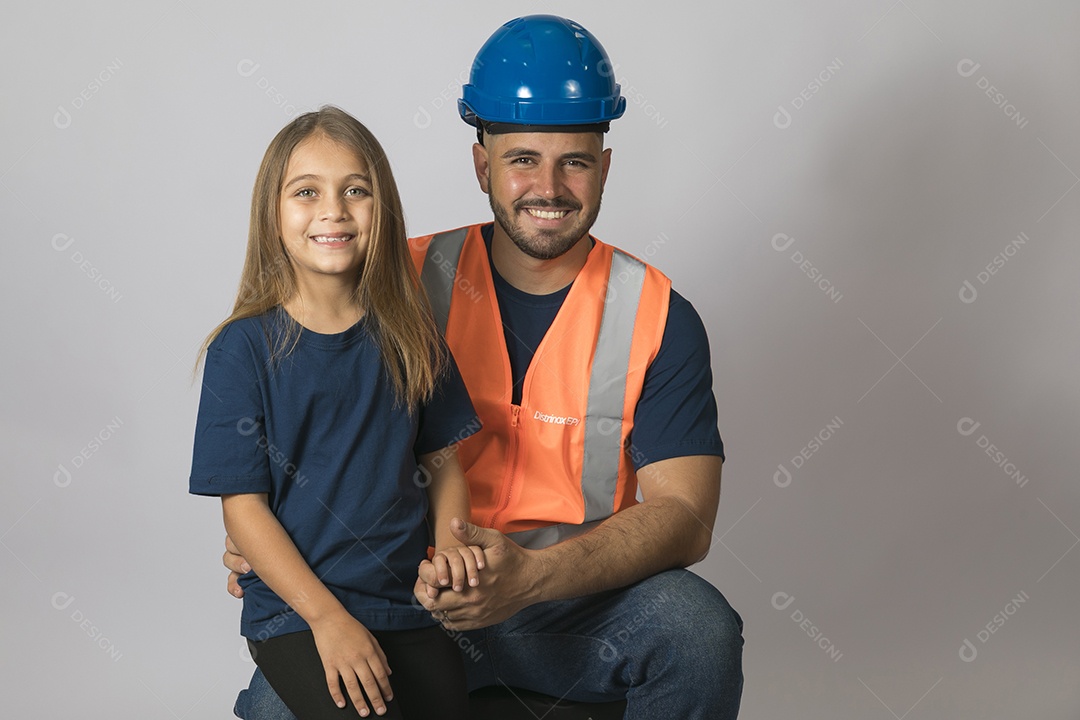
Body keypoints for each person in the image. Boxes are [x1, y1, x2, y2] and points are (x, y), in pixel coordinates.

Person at [225, 15, 744, 720]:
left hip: (562, 606)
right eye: (523, 158)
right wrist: (263, 534)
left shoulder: (656, 314)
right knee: (274, 712)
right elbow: (283, 411)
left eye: (577, 161)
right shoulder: (390, 282)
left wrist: (532, 577)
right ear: (482, 165)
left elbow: (685, 517)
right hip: (398, 598)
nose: (549, 186)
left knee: (696, 630)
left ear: (606, 166)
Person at [190, 106, 484, 719]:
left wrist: (451, 549)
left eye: (357, 190)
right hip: (299, 614)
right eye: (306, 192)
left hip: (406, 604)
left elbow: (444, 462)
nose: (334, 210)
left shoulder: (412, 336)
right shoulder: (242, 349)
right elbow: (243, 508)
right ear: (272, 213)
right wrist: (326, 619)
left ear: (384, 209)